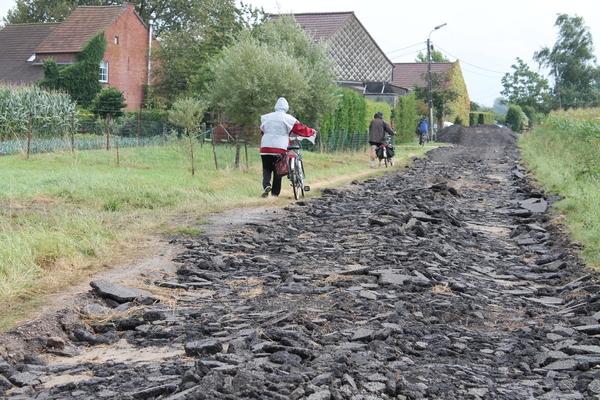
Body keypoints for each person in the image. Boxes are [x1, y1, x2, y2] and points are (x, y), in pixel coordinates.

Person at [260, 97, 316, 197]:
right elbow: (300, 129)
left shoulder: (265, 117)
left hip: (265, 147)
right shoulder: (289, 118)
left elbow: (262, 131)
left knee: (267, 168)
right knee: (278, 169)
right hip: (280, 148)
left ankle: (266, 186)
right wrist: (311, 132)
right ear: (286, 107)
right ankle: (274, 194)